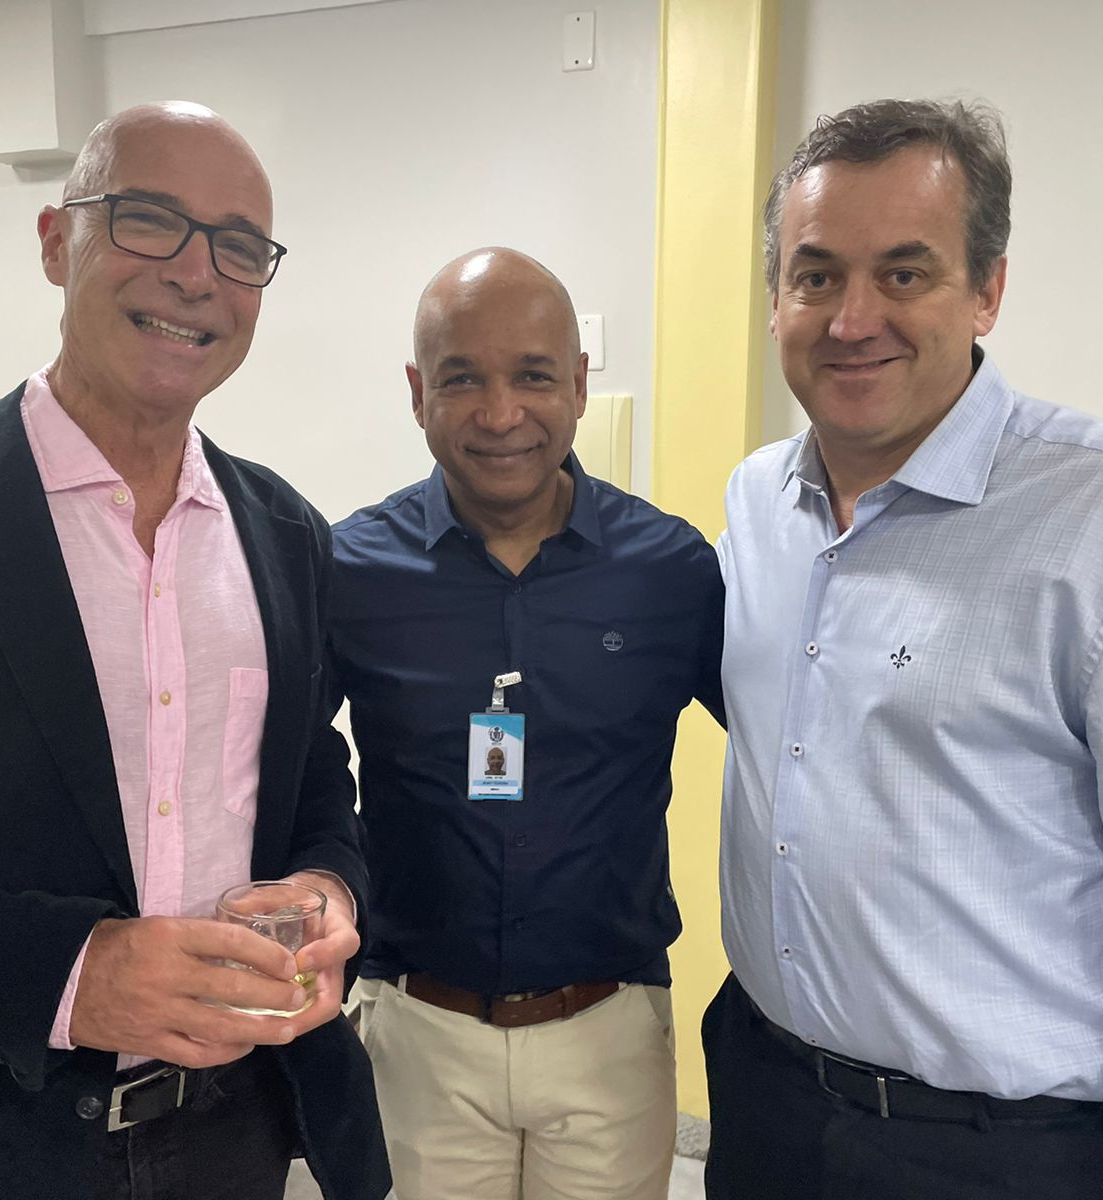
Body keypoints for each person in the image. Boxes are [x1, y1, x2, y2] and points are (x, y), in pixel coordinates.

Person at [0, 102, 389, 1200]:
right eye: (150, 219)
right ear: (56, 241)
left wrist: (328, 885)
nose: (197, 273)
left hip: (228, 1139)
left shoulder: (286, 535)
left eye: (239, 247)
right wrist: (73, 976)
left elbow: (309, 776)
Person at [705, 97, 1103, 1200]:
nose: (853, 318)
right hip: (768, 1109)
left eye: (904, 273)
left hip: (1008, 1153)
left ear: (987, 289)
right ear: (775, 299)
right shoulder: (757, 505)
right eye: (816, 275)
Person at [329, 247, 724, 1200]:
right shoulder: (351, 571)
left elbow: (791, 742)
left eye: (535, 377)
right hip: (419, 1032)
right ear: (418, 393)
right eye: (463, 379)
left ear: (579, 385)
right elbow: (278, 766)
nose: (501, 414)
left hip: (608, 1037)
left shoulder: (668, 571)